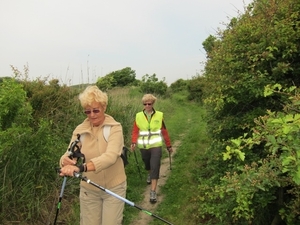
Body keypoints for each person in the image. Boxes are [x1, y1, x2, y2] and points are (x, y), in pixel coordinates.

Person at [59, 85, 126, 225]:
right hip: (89, 190)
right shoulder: (80, 130)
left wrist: (81, 168)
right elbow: (70, 153)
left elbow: (111, 156)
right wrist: (65, 162)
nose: (92, 115)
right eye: (87, 112)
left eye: (96, 110)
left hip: (114, 188)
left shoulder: (115, 128)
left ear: (104, 107)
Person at [130, 94, 173, 203]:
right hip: (143, 145)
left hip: (156, 145)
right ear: (143, 104)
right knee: (147, 163)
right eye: (145, 104)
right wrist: (133, 142)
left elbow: (164, 131)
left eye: (149, 103)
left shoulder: (159, 115)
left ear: (153, 104)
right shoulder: (138, 116)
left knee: (155, 165)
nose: (147, 106)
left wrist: (168, 145)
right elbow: (135, 131)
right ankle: (149, 173)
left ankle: (153, 191)